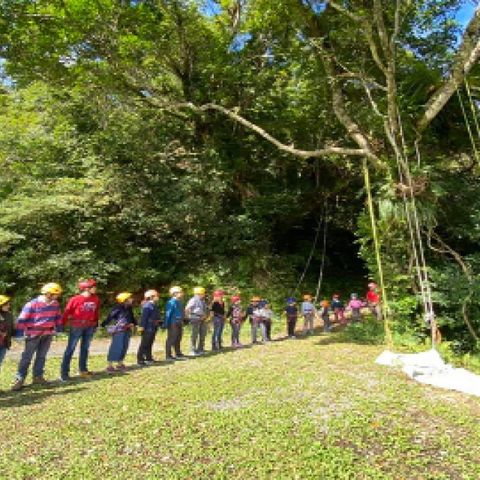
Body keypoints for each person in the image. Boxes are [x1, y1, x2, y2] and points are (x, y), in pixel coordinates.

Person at [12, 282, 63, 391]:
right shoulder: (32, 304)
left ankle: (38, 377)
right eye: (56, 294)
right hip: (33, 335)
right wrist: (19, 334)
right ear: (48, 294)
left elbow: (58, 317)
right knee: (27, 358)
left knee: (41, 356)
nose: (57, 296)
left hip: (47, 335)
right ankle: (19, 379)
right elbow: (22, 319)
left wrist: (58, 329)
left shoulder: (55, 304)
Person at [60, 279, 100, 381]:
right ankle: (64, 373)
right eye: (94, 287)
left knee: (85, 348)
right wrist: (61, 325)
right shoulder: (75, 299)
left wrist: (96, 323)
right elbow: (67, 312)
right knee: (70, 348)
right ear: (87, 288)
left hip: (90, 326)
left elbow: (96, 312)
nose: (95, 289)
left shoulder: (95, 299)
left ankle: (83, 370)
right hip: (77, 326)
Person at [101, 292, 136, 373]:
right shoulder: (118, 308)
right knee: (116, 346)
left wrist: (135, 324)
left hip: (127, 329)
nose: (132, 299)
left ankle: (120, 363)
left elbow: (132, 318)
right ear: (125, 300)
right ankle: (109, 366)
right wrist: (103, 324)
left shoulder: (129, 308)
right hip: (119, 330)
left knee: (124, 346)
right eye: (130, 298)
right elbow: (110, 317)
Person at [137, 289, 160, 365]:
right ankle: (140, 359)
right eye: (156, 295)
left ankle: (148, 358)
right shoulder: (147, 306)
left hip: (153, 327)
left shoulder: (153, 305)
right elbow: (144, 318)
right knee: (144, 343)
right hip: (147, 328)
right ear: (151, 297)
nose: (158, 297)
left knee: (150, 343)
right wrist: (142, 327)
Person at [164, 286, 185, 360]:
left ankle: (178, 353)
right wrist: (166, 324)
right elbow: (168, 314)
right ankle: (168, 355)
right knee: (171, 339)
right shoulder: (171, 302)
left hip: (179, 322)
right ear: (174, 294)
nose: (182, 293)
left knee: (178, 338)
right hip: (173, 323)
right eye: (180, 292)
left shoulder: (180, 301)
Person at [185, 287, 208, 356]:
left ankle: (200, 349)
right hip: (195, 319)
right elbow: (187, 308)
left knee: (203, 334)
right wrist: (188, 317)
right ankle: (192, 350)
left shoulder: (202, 300)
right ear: (198, 293)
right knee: (194, 335)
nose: (204, 295)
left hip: (202, 319)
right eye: (203, 293)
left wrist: (205, 316)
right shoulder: (193, 300)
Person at [0, 295, 14, 376]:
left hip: (4, 344)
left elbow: (11, 329)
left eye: (9, 304)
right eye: (6, 304)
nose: (9, 306)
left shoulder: (9, 315)